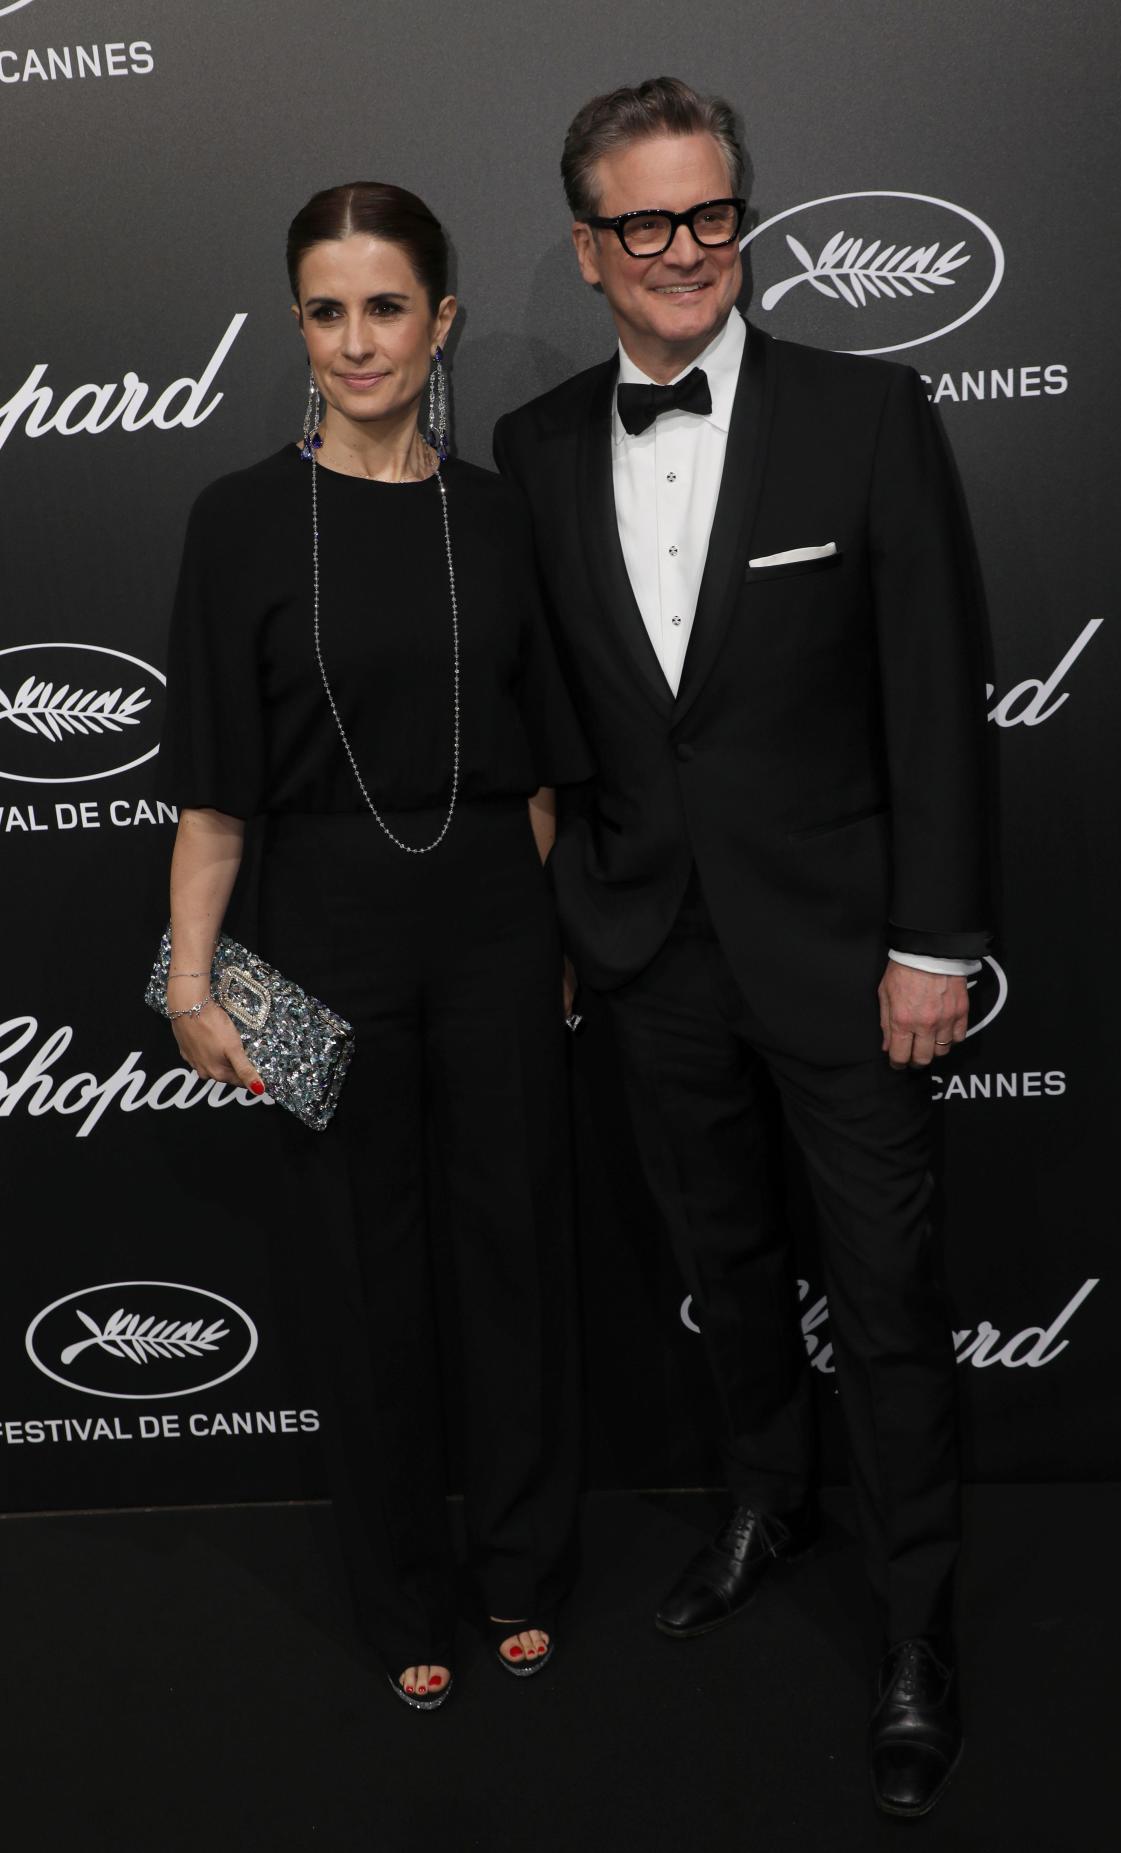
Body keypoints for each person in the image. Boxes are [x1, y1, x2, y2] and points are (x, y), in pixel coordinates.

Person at [494, 80, 990, 1817]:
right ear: (589, 246)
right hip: (649, 954)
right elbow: (560, 716)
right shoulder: (542, 446)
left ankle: (919, 1626)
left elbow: (934, 697)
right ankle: (765, 1497)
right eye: (647, 223)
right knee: (721, 1265)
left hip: (852, 958)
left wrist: (931, 941)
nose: (687, 248)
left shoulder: (866, 413)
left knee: (887, 1292)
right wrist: (575, 925)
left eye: (713, 214)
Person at [161, 181, 590, 1710]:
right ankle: (403, 1588)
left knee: (515, 1253)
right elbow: (214, 791)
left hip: (490, 913)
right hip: (314, 927)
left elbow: (537, 767)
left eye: (387, 306)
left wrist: (537, 939)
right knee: (357, 1274)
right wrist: (193, 978)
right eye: (329, 311)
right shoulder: (236, 520)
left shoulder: (498, 514)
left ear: (441, 321)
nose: (360, 341)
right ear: (299, 326)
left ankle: (527, 1566)